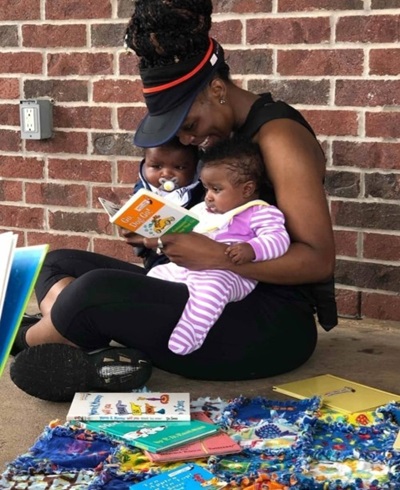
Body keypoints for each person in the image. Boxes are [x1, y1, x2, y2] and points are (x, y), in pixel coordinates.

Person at [10, 0, 337, 402]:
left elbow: (318, 259)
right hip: (198, 287)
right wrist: (158, 236)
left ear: (216, 89)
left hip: (263, 327)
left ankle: (29, 338)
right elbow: (204, 224)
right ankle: (97, 357)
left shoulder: (278, 137)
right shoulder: (220, 135)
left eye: (188, 125)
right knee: (60, 261)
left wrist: (217, 256)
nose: (186, 141)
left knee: (93, 292)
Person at [147, 138, 290, 355]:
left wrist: (252, 249)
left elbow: (278, 239)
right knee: (158, 273)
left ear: (247, 189)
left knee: (211, 289)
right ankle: (148, 320)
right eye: (206, 188)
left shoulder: (260, 212)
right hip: (190, 268)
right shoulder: (203, 210)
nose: (208, 197)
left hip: (231, 275)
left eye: (216, 189)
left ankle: (191, 332)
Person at [131, 137, 204, 271]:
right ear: (145, 165)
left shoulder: (201, 192)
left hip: (189, 260)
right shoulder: (143, 190)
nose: (166, 174)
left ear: (195, 168)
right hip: (154, 256)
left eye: (179, 167)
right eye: (156, 166)